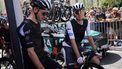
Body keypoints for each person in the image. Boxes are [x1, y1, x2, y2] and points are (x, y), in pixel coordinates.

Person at [17, 0, 62, 69]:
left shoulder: (37, 22)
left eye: (47, 14)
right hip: (33, 64)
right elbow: (30, 52)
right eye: (43, 14)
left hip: (43, 58)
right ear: (35, 9)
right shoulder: (27, 26)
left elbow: (38, 42)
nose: (45, 17)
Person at [61, 2, 100, 68]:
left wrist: (95, 50)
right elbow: (72, 41)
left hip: (78, 45)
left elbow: (89, 37)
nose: (79, 13)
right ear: (74, 13)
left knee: (95, 60)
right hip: (68, 46)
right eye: (77, 12)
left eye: (81, 11)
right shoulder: (69, 23)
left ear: (84, 11)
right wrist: (78, 56)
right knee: (71, 67)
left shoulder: (86, 22)